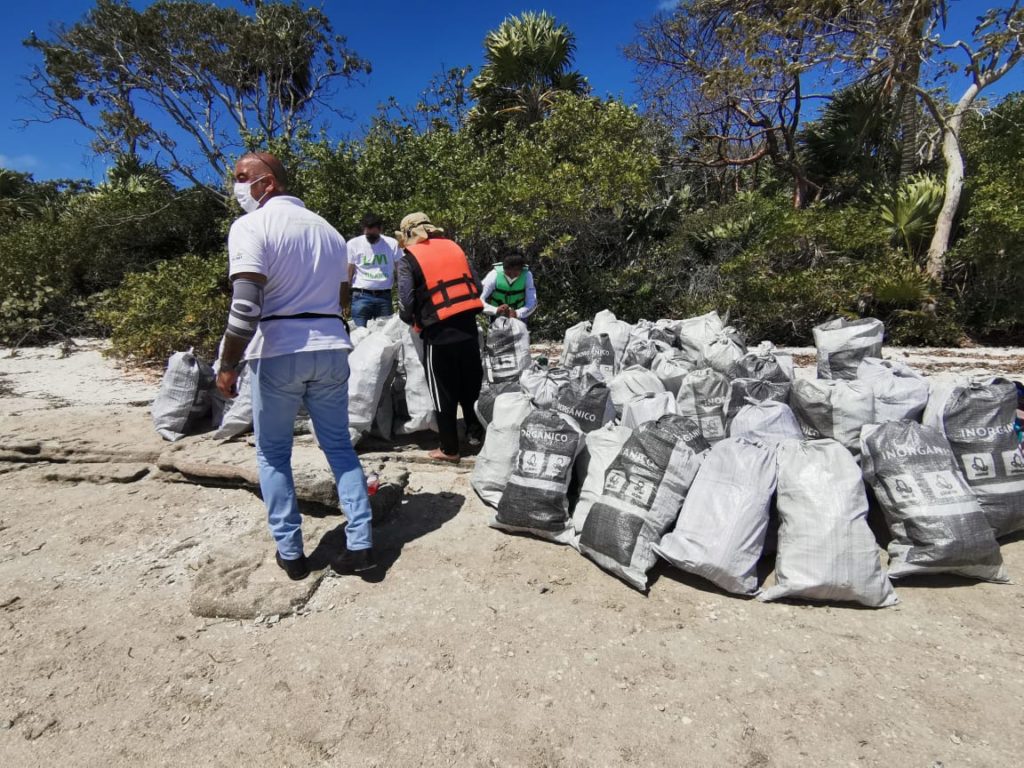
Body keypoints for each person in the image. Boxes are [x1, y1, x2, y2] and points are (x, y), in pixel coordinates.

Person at [215, 151, 375, 581]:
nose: (237, 185)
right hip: (331, 346)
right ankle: (360, 543)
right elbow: (343, 298)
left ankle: (291, 553)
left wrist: (227, 364)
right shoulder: (330, 232)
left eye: (242, 177)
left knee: (272, 453)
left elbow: (246, 307)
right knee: (339, 448)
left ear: (268, 183)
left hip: (279, 350)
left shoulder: (250, 227)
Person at [395, 212, 485, 463]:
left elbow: (406, 301)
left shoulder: (408, 259)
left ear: (408, 235)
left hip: (438, 332)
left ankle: (449, 449)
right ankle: (476, 436)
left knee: (442, 391)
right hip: (467, 327)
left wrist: (411, 320)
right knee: (470, 386)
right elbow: (476, 286)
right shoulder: (455, 248)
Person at [342, 212, 401, 327]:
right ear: (363, 229)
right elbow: (348, 273)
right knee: (359, 335)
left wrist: (402, 295)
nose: (371, 239)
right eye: (368, 235)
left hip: (384, 296)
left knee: (386, 337)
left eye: (374, 235)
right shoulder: (353, 244)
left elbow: (401, 271)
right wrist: (345, 301)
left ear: (380, 229)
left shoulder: (392, 244)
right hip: (361, 296)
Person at [481, 252, 538, 322]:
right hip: (497, 316)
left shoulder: (527, 275)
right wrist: (495, 310)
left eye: (516, 270)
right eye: (508, 270)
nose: (512, 274)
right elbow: (479, 299)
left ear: (522, 269)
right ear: (503, 267)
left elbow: (532, 301)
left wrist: (517, 313)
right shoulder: (494, 274)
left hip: (519, 317)